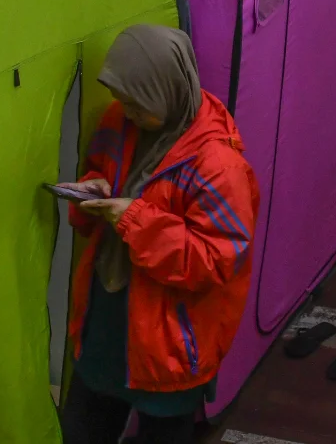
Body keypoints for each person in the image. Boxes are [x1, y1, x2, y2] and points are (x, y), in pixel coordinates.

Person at [56, 25, 260, 444]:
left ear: (167, 90)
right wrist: (92, 189)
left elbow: (215, 260)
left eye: (137, 103)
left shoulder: (219, 166)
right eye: (123, 100)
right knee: (81, 430)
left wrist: (133, 219)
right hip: (107, 326)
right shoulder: (120, 121)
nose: (127, 112)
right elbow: (103, 167)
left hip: (168, 345)